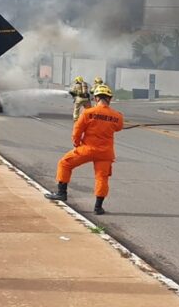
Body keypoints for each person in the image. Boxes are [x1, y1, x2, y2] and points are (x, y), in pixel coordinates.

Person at [45, 84, 124, 214]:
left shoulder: (88, 113)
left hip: (87, 149)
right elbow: (119, 127)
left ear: (96, 98)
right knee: (102, 178)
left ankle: (61, 193)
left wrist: (76, 143)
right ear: (109, 99)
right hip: (105, 153)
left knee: (64, 164)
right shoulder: (117, 116)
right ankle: (98, 208)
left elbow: (77, 129)